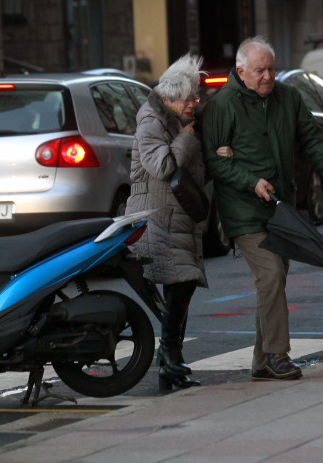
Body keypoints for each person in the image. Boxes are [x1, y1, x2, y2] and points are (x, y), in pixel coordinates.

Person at [202, 36, 323, 382]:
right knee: (270, 276)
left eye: (270, 68)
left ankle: (261, 360)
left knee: (274, 281)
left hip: (282, 208)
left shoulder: (288, 98)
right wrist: (251, 181)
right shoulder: (223, 105)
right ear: (241, 71)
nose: (267, 76)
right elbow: (214, 162)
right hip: (244, 209)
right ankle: (277, 354)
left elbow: (313, 140)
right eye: (259, 70)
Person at [126, 54, 230, 391]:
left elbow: (196, 170)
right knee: (181, 283)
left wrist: (219, 156)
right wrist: (186, 136)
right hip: (157, 219)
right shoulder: (151, 120)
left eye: (193, 98)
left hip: (177, 218)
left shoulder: (179, 120)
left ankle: (171, 363)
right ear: (168, 97)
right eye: (185, 99)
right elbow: (164, 166)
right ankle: (170, 359)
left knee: (180, 288)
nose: (191, 104)